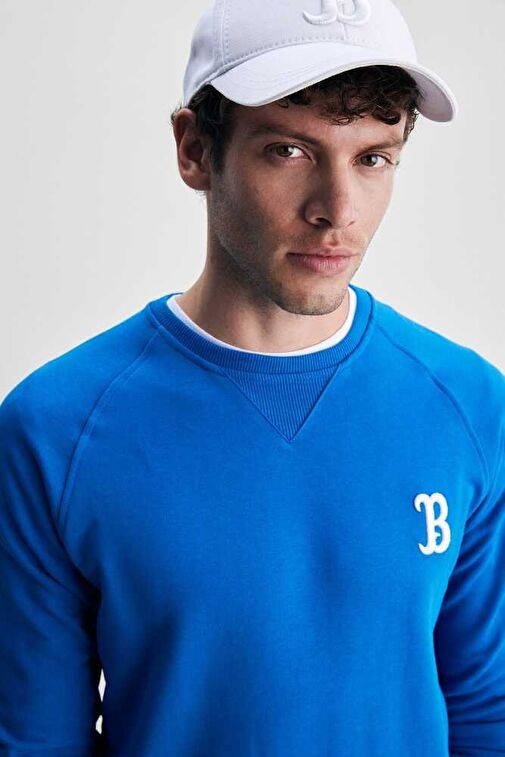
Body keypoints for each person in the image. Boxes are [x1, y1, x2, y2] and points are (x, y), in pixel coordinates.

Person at [0, 0, 503, 754]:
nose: (338, 211)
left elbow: (487, 713)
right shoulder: (56, 429)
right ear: (195, 150)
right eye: (289, 151)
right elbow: (36, 741)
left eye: (372, 157)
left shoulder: (469, 404)